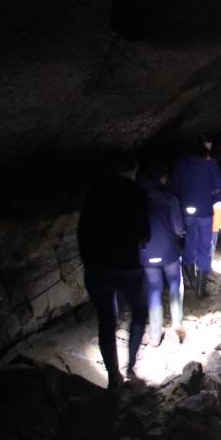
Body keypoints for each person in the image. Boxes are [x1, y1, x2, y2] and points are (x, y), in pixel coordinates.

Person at [77, 152, 150, 391]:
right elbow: (144, 233)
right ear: (131, 170)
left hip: (96, 269)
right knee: (139, 312)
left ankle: (113, 378)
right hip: (126, 267)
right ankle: (130, 369)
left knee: (106, 321)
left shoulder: (93, 193)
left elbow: (82, 231)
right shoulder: (134, 193)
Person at [139, 161, 186, 346]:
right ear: (161, 178)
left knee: (153, 290)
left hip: (146, 251)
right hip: (168, 250)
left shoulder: (135, 199)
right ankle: (177, 323)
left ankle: (155, 334)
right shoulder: (169, 199)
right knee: (175, 284)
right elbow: (178, 228)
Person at [170, 135, 221, 298]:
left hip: (187, 210)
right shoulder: (211, 164)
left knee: (189, 242)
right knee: (205, 247)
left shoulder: (182, 164)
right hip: (206, 210)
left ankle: (192, 281)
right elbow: (218, 186)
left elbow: (174, 186)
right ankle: (200, 288)